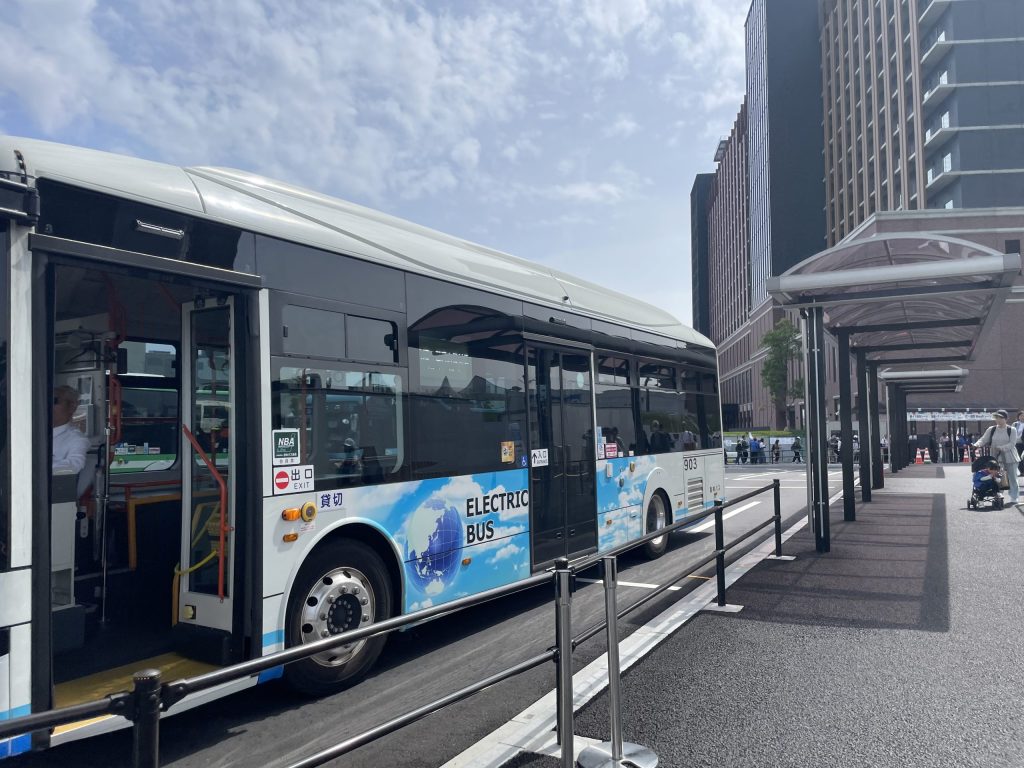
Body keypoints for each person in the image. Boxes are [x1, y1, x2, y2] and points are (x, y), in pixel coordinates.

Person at [974, 410, 1020, 505]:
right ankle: (999, 495)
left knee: (1012, 478)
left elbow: (1012, 444)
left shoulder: (1012, 429)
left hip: (1010, 457)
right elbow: (983, 439)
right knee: (998, 476)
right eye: (996, 418)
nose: (998, 420)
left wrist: (1001, 448)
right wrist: (977, 444)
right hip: (996, 457)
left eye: (1000, 418)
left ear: (1006, 419)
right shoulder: (992, 429)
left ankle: (1014, 497)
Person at [52, 385, 89, 473]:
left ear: (72, 407)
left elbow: (73, 467)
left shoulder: (77, 440)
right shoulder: (31, 434)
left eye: (54, 401)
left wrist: (39, 464)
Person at [1012, 410, 1024, 476]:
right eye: (1021, 416)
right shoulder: (1015, 424)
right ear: (1018, 417)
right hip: (1017, 442)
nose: (1022, 417)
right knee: (1018, 457)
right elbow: (1011, 433)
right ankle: (1022, 471)